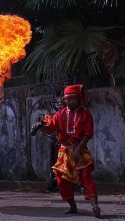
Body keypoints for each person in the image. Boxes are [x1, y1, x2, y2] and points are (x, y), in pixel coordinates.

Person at [32, 84, 101, 218]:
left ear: (79, 98)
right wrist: (40, 127)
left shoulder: (85, 114)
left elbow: (88, 134)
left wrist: (78, 149)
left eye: (73, 99)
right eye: (68, 99)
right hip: (64, 151)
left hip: (80, 149)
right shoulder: (60, 114)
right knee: (61, 180)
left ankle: (95, 206)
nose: (70, 102)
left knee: (86, 176)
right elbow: (50, 128)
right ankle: (72, 206)